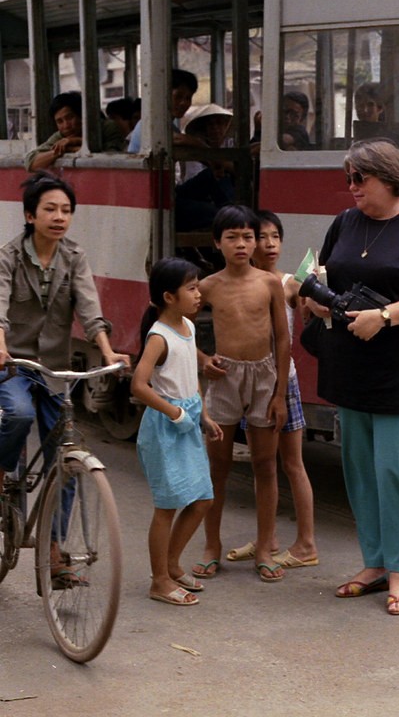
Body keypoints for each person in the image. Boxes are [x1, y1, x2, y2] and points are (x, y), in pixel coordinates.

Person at [305, 138, 399, 616]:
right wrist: (310, 295)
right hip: (349, 363)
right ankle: (374, 563)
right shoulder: (345, 222)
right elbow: (323, 275)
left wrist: (384, 316)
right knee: (360, 471)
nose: (351, 188)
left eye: (359, 179)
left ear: (388, 179)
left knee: (394, 473)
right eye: (348, 179)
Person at [0, 172, 129, 584]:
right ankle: (3, 473)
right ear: (30, 215)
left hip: (55, 369)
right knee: (17, 415)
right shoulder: (7, 257)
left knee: (67, 456)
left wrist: (108, 351)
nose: (59, 217)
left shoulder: (74, 257)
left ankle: (54, 551)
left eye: (66, 210)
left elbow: (90, 310)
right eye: (50, 209)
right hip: (16, 365)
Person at [192, 205, 289, 583]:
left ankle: (264, 548)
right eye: (232, 237)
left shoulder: (268, 284)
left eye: (248, 236)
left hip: (264, 376)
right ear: (217, 243)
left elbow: (282, 338)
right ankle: (211, 546)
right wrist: (203, 360)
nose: (242, 244)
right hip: (225, 378)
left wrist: (280, 393)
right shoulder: (208, 286)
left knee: (266, 465)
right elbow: (174, 324)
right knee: (217, 466)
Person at [226, 210, 318, 569]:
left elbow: (312, 312)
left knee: (292, 463)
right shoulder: (240, 283)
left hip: (284, 382)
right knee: (262, 465)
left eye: (275, 237)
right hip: (251, 382)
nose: (269, 245)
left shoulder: (288, 284)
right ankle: (268, 539)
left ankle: (306, 544)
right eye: (261, 237)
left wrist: (312, 301)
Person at [131, 257, 223, 607]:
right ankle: (159, 581)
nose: (199, 294)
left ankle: (171, 565)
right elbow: (139, 386)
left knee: (202, 499)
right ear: (169, 296)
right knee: (167, 506)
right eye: (192, 288)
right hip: (165, 428)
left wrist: (204, 416)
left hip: (188, 422)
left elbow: (190, 377)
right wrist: (175, 412)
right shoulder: (159, 336)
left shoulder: (187, 326)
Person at [25, 91, 126, 171]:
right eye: (60, 121)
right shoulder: (61, 136)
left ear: (82, 115)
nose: (66, 125)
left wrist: (76, 142)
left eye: (70, 117)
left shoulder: (106, 127)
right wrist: (65, 150)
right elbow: (31, 163)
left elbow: (109, 159)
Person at [175, 104, 235, 233]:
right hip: (194, 198)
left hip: (216, 198)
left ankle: (231, 213)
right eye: (210, 125)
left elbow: (235, 169)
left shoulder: (230, 147)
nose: (215, 129)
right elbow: (196, 179)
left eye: (219, 124)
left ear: (226, 126)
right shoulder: (194, 150)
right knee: (210, 175)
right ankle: (232, 216)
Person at [127, 68, 201, 155]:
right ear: (163, 95)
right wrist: (201, 145)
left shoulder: (172, 128)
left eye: (188, 98)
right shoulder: (149, 124)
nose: (183, 103)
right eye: (178, 96)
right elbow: (178, 139)